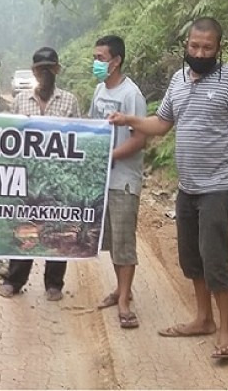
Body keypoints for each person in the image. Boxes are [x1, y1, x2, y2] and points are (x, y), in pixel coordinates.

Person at [109, 17, 228, 359]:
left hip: (219, 186)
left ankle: (226, 331)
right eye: (194, 46)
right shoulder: (178, 80)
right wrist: (129, 120)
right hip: (187, 187)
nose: (199, 52)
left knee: (215, 259)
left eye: (207, 47)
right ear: (186, 45)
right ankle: (203, 318)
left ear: (218, 48)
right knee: (191, 258)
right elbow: (161, 124)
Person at [0, 46, 81, 302]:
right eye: (40, 68)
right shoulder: (21, 100)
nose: (45, 72)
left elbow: (79, 136)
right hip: (28, 177)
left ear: (56, 69)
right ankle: (15, 279)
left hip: (59, 179)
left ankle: (54, 283)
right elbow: (11, 138)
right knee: (25, 228)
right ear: (34, 71)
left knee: (58, 228)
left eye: (49, 68)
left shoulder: (70, 101)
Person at [88, 35, 147, 329]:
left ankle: (124, 301)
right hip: (103, 179)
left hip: (124, 179)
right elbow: (91, 129)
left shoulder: (130, 95)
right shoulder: (99, 90)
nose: (96, 63)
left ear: (116, 61)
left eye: (101, 58)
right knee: (112, 240)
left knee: (125, 241)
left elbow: (141, 137)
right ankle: (122, 289)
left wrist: (111, 155)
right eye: (95, 57)